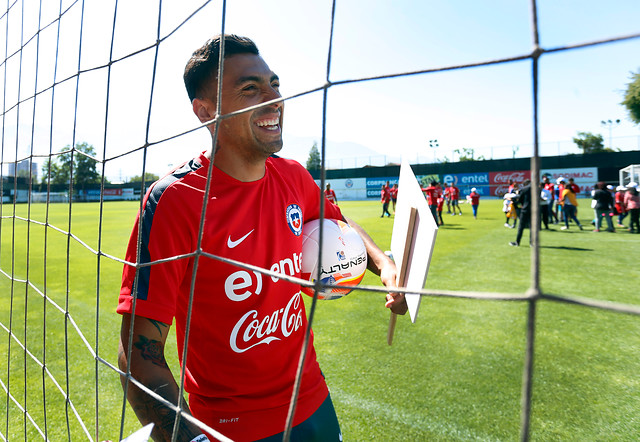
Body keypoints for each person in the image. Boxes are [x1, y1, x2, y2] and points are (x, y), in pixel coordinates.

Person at [116, 34, 407, 442]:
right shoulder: (176, 201)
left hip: (313, 404)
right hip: (229, 428)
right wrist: (190, 439)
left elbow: (336, 222)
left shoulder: (294, 176)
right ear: (205, 111)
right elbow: (138, 355)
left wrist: (384, 264)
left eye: (274, 84)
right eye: (250, 89)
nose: (273, 99)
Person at [509, 179, 532, 246]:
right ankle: (532, 243)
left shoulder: (524, 189)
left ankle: (517, 242)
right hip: (534, 210)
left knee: (521, 227)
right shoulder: (537, 189)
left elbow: (520, 200)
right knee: (532, 227)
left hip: (525, 209)